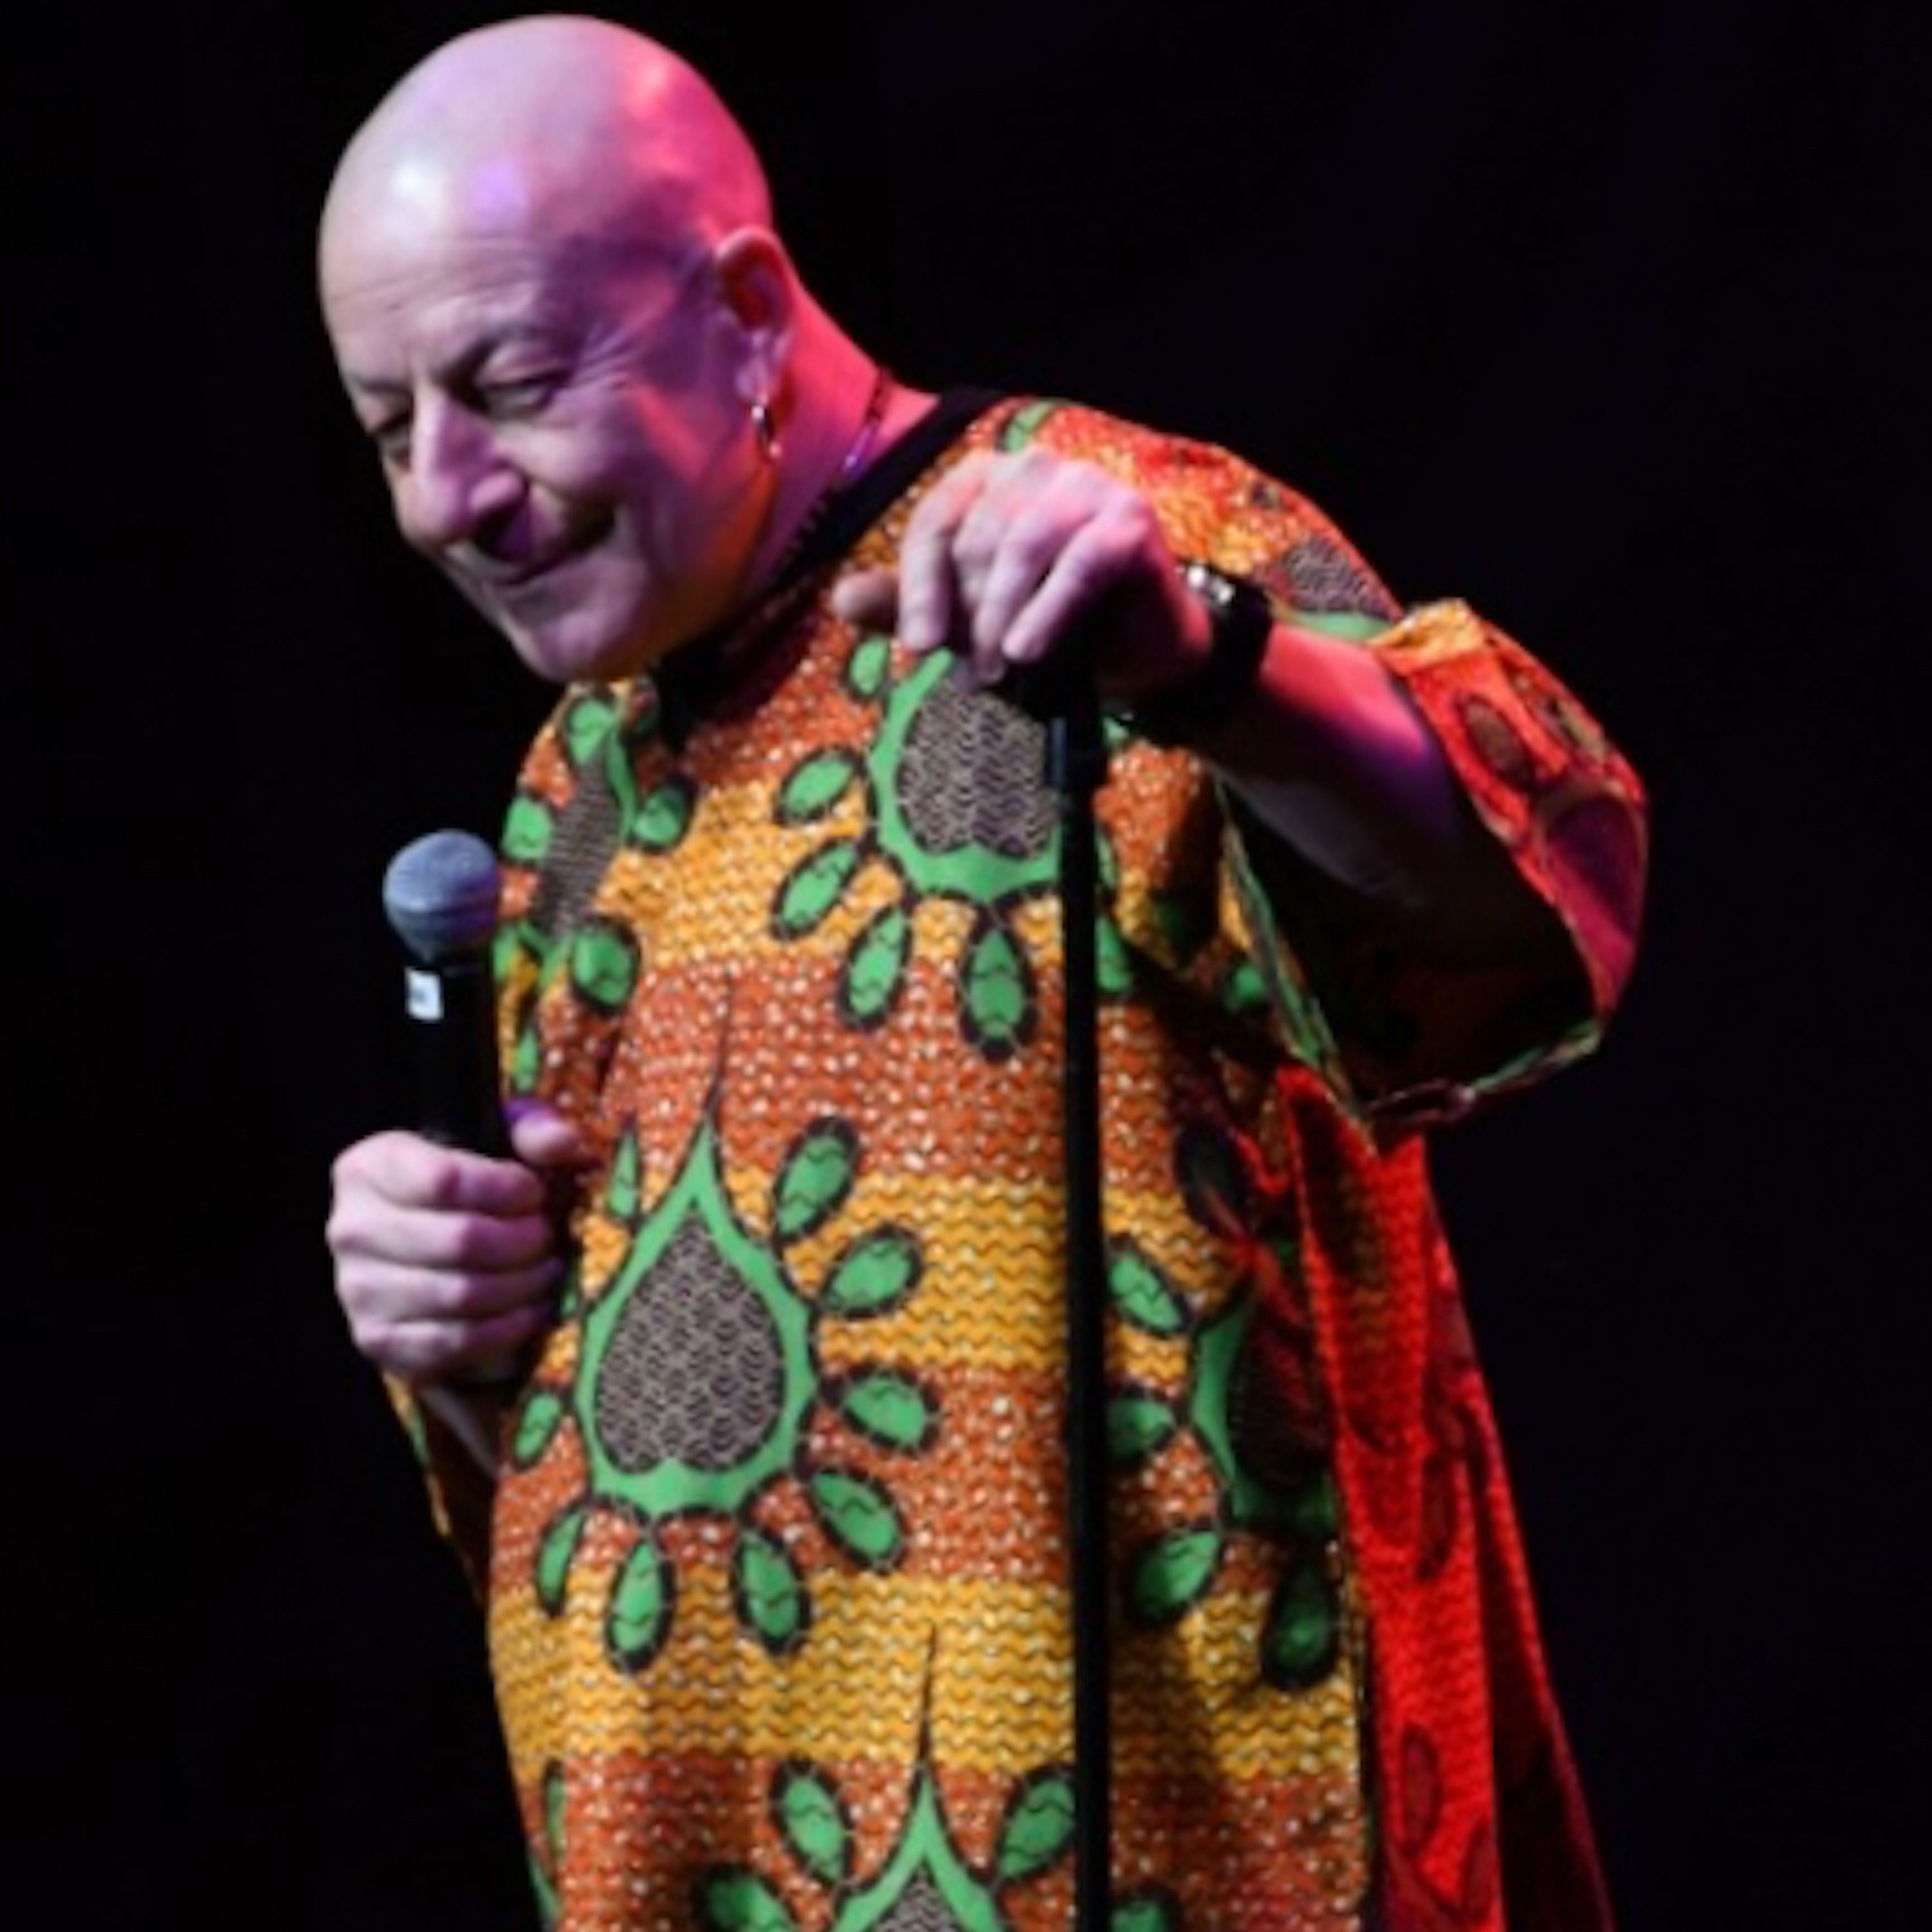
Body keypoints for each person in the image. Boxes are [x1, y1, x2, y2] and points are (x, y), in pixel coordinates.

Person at [319, 15, 1646, 1932]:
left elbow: (1545, 900)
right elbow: (616, 1479)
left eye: (510, 386)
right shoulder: (573, 788)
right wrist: (459, 1323)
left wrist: (1203, 661)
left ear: (747, 313)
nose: (446, 495)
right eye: (389, 429)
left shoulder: (1113, 548)